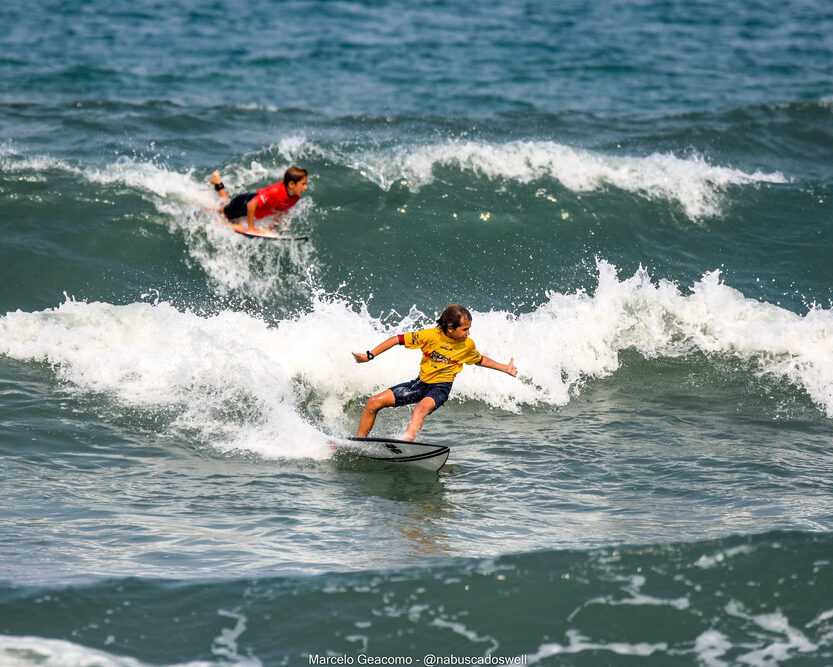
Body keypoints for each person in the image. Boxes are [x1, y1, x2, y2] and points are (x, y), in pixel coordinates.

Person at [352, 304, 518, 441]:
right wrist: (369, 355)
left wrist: (505, 368)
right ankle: (359, 443)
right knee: (373, 402)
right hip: (419, 384)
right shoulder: (429, 336)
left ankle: (406, 443)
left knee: (419, 410)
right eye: (465, 329)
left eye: (469, 329)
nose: (468, 333)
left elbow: (479, 359)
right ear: (450, 328)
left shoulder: (467, 345)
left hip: (440, 388)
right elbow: (397, 339)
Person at [210, 166, 308, 232]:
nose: (305, 187)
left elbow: (283, 211)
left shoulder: (295, 197)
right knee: (220, 213)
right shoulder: (275, 191)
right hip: (243, 204)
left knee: (226, 205)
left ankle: (217, 182)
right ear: (291, 184)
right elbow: (251, 205)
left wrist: (270, 229)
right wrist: (251, 228)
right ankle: (203, 210)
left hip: (251, 207)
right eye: (303, 184)